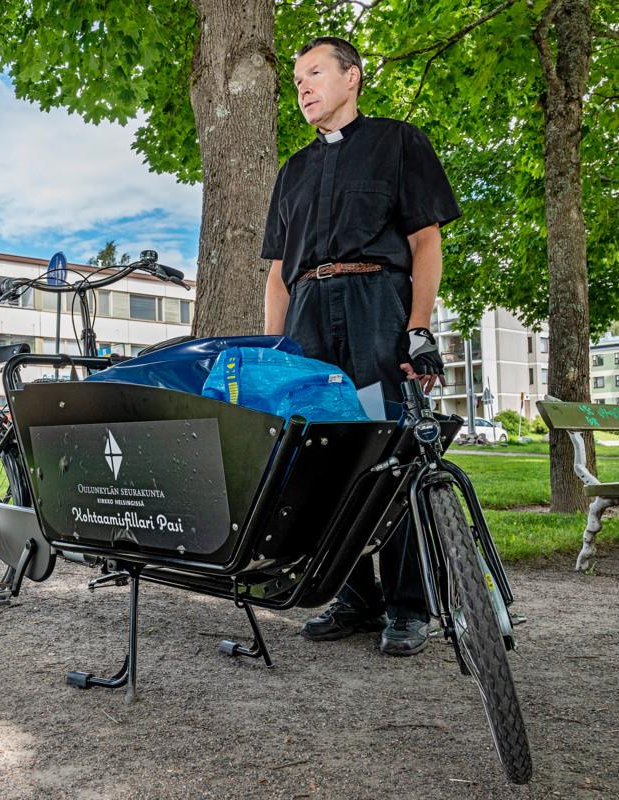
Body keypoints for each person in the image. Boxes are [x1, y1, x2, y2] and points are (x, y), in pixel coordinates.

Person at [261, 37, 460, 656]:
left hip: (378, 310)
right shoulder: (291, 171)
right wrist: (275, 356)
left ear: (353, 77)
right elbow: (276, 274)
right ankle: (353, 595)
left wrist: (418, 327)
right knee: (323, 456)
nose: (303, 87)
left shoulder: (400, 142)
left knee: (389, 452)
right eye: (296, 80)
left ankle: (408, 606)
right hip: (310, 318)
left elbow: (426, 242)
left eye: (314, 73)